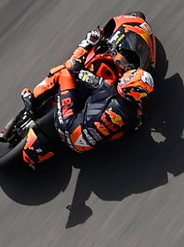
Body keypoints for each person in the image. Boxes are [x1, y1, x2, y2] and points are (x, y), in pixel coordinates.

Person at [17, 28, 156, 167]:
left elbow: (75, 68)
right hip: (81, 148)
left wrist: (87, 44)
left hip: (67, 126)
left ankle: (32, 99)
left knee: (64, 73)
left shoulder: (107, 90)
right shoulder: (134, 114)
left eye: (131, 75)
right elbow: (129, 129)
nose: (129, 73)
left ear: (127, 85)